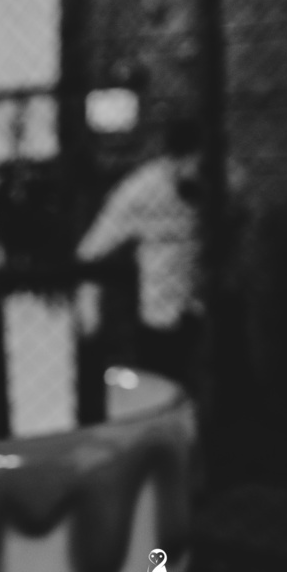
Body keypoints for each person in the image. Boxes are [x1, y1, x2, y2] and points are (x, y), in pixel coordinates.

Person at [76, 118, 222, 385]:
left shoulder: (221, 182)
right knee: (164, 386)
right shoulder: (140, 192)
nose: (204, 176)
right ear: (177, 158)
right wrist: (90, 320)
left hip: (203, 310)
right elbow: (90, 252)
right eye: (199, 166)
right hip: (160, 319)